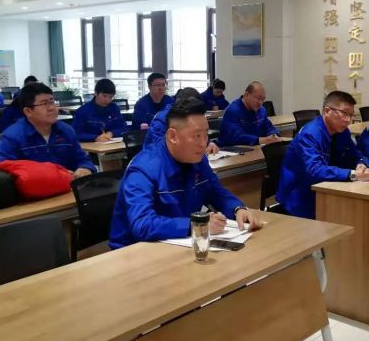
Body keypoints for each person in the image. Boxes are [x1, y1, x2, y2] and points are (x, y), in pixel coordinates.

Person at [109, 97, 264, 249]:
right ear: (173, 136)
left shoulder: (198, 160)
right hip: (134, 252)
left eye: (206, 135)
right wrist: (197, 224)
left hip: (177, 243)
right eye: (197, 136)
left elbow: (216, 192)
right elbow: (142, 224)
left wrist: (238, 209)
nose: (204, 143)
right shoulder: (143, 169)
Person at [276, 91, 369, 220]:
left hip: (328, 189)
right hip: (301, 197)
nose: (348, 120)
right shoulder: (310, 134)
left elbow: (356, 154)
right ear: (327, 111)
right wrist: (353, 174)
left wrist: (361, 164)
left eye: (351, 115)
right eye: (344, 113)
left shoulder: (342, 132)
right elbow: (314, 170)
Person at [0, 83, 95, 178]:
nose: (51, 108)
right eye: (44, 104)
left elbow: (83, 159)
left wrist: (85, 168)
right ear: (28, 111)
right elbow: (5, 174)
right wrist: (51, 175)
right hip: (32, 189)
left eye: (52, 102)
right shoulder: (12, 137)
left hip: (67, 187)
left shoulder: (66, 131)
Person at [143, 87, 218, 154]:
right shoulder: (162, 119)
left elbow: (199, 135)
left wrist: (209, 144)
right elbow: (160, 149)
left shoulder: (192, 116)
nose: (193, 112)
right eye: (191, 108)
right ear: (179, 103)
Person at [217, 81, 281, 146]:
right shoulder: (232, 111)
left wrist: (274, 135)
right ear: (246, 94)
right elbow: (236, 136)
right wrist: (260, 140)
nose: (260, 102)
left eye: (263, 99)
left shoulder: (261, 110)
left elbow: (269, 127)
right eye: (258, 98)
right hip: (232, 149)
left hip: (254, 148)